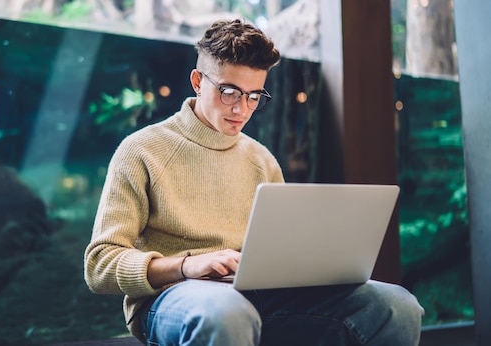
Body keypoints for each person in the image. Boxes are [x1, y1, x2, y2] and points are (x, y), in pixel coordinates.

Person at [84, 18, 424, 345]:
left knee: (396, 305)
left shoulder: (261, 160)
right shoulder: (141, 150)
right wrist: (186, 266)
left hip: (259, 298)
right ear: (198, 81)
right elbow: (99, 264)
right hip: (173, 298)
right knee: (227, 312)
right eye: (230, 91)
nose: (241, 109)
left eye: (254, 96)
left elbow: (281, 250)